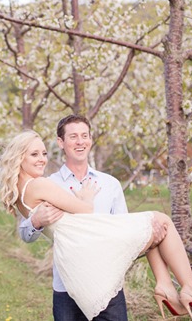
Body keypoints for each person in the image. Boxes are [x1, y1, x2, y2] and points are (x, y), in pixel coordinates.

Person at [0, 129, 192, 321]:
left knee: (149, 231)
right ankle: (189, 288)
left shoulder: (19, 195)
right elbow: (84, 210)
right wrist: (85, 197)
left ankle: (165, 286)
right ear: (19, 157)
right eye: (34, 154)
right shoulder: (42, 183)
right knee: (162, 220)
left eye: (43, 153)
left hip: (79, 250)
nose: (42, 158)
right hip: (89, 243)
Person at [19, 114, 133, 320]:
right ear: (60, 142)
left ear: (90, 139)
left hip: (107, 286)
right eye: (73, 137)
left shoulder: (110, 185)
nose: (80, 142)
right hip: (66, 288)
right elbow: (25, 234)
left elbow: (123, 232)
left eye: (84, 136)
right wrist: (36, 222)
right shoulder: (47, 184)